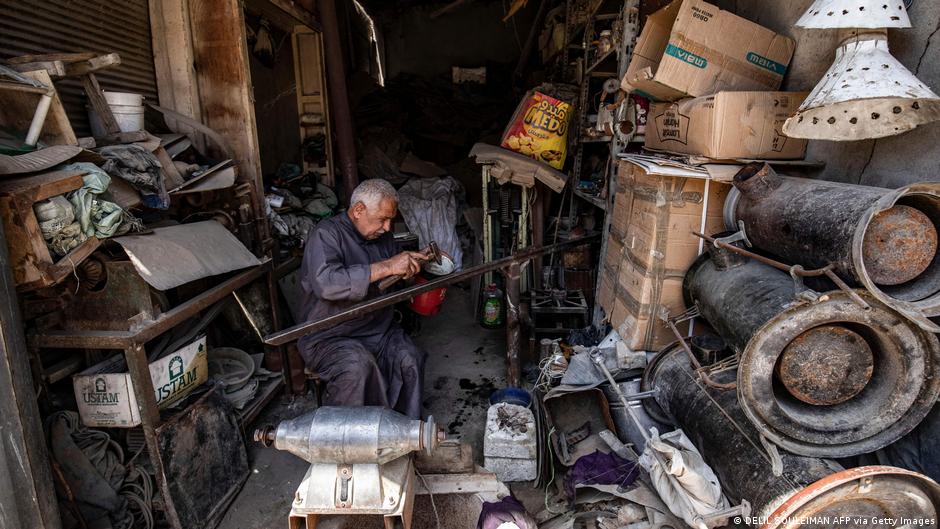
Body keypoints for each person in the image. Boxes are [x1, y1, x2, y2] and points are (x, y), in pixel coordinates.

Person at [298, 178, 428, 418]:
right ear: (358, 210)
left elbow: (387, 281)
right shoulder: (326, 235)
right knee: (357, 368)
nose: (388, 228)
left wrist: (407, 269)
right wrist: (387, 266)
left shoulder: (382, 237)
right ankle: (357, 445)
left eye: (391, 220)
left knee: (410, 359)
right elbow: (327, 284)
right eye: (383, 219)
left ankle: (404, 435)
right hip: (330, 336)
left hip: (378, 329)